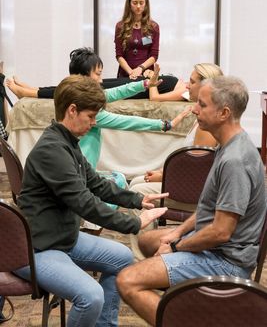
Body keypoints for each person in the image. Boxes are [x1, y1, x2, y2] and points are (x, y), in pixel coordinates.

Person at [14, 74, 168, 327]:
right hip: (37, 248)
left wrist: (138, 199)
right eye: (91, 117)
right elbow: (85, 202)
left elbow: (95, 184)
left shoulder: (67, 143)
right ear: (72, 110)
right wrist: (134, 223)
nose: (94, 123)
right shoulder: (52, 150)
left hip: (62, 239)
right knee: (90, 296)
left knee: (122, 258)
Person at [116, 75, 267, 327]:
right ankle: (186, 302)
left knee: (127, 281)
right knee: (147, 239)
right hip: (214, 246)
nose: (195, 109)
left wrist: (176, 247)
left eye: (202, 104)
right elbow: (210, 209)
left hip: (225, 262)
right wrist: (178, 233)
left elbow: (220, 232)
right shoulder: (227, 146)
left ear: (224, 113)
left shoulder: (235, 161)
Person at [6, 48, 190, 170]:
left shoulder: (75, 94)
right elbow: (129, 122)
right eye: (98, 74)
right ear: (84, 78)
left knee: (116, 183)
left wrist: (145, 84)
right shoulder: (88, 111)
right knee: (114, 190)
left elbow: (118, 91)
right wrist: (164, 124)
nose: (101, 80)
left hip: (79, 168)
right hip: (79, 171)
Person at [128, 62, 223, 260]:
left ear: (206, 87)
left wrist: (161, 177)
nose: (187, 85)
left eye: (192, 82)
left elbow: (194, 174)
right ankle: (150, 252)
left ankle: (143, 259)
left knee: (136, 192)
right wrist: (161, 175)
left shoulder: (206, 125)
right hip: (194, 187)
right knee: (137, 183)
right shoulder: (206, 118)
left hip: (194, 196)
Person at [115, 0, 159, 79]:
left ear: (146, 5)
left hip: (146, 74)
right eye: (135, 3)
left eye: (141, 3)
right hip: (126, 74)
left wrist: (140, 69)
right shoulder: (120, 26)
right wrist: (131, 72)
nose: (138, 6)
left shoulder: (153, 27)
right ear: (129, 4)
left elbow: (154, 55)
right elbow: (119, 55)